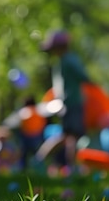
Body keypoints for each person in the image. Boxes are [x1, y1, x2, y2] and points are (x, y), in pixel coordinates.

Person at [39, 30, 90, 174]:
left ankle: (41, 159)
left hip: (64, 103)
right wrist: (91, 82)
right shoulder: (69, 60)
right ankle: (71, 167)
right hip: (72, 103)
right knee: (72, 137)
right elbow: (83, 76)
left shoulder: (61, 62)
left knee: (67, 137)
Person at [18, 96, 47, 170]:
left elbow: (21, 124)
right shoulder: (39, 111)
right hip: (37, 136)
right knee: (38, 154)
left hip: (26, 136)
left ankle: (23, 169)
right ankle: (40, 169)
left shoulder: (24, 111)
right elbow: (43, 124)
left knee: (24, 154)